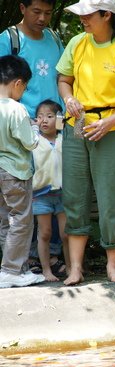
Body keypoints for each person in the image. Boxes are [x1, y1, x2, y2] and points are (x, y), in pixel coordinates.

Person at [56, 0, 115, 285]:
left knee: (110, 200)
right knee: (74, 197)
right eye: (81, 14)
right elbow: (64, 79)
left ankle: (113, 267)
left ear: (106, 15)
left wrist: (109, 123)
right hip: (78, 127)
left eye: (88, 14)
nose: (82, 19)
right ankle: (75, 269)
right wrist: (68, 98)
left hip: (112, 130)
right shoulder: (77, 43)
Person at [0, 55, 44, 288]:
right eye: (24, 87)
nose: (23, 92)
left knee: (5, 220)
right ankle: (11, 271)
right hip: (15, 173)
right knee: (21, 220)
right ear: (17, 83)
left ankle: (13, 268)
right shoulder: (16, 109)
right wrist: (34, 131)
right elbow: (30, 143)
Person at [0, 0, 63, 118]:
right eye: (37, 12)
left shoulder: (54, 38)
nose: (42, 18)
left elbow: (64, 76)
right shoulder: (9, 39)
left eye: (48, 13)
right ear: (23, 8)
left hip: (57, 120)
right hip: (23, 120)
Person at [31, 99, 69, 282]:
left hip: (63, 194)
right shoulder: (34, 139)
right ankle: (46, 270)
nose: (43, 120)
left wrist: (66, 117)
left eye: (49, 116)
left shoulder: (65, 138)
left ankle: (71, 267)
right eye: (39, 117)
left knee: (66, 234)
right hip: (41, 194)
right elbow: (24, 126)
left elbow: (79, 125)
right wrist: (32, 123)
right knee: (44, 233)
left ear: (59, 119)